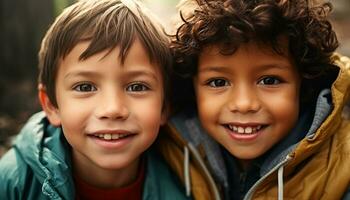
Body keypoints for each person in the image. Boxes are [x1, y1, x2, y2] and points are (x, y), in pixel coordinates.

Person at [0, 0, 219, 199]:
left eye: (136, 87)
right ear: (51, 105)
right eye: (85, 87)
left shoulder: (193, 183)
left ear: (165, 105)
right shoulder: (13, 183)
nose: (112, 108)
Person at [169, 0, 350, 199]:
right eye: (218, 82)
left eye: (269, 80)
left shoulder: (343, 171)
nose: (244, 104)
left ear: (304, 82)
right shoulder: (167, 150)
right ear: (192, 86)